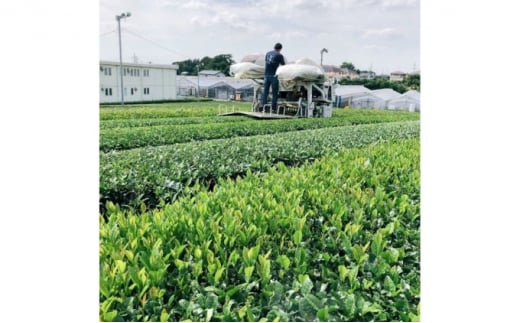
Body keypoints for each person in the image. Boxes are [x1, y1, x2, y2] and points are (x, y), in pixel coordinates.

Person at [262, 43, 285, 112]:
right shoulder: (279, 55)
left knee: (265, 92)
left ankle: (264, 108)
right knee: (275, 93)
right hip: (274, 76)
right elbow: (283, 65)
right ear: (280, 49)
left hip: (266, 76)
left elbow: (267, 62)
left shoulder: (267, 53)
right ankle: (273, 109)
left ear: (274, 47)